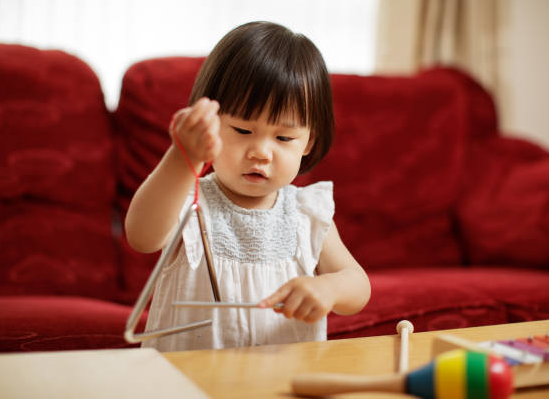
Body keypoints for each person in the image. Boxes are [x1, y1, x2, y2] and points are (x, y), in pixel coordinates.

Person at [125, 21, 371, 351]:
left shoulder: (305, 212)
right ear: (211, 124)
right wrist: (182, 157)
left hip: (277, 379)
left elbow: (358, 286)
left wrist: (330, 289)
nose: (260, 152)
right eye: (242, 130)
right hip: (190, 380)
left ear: (309, 141)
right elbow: (142, 236)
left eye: (284, 137)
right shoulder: (189, 198)